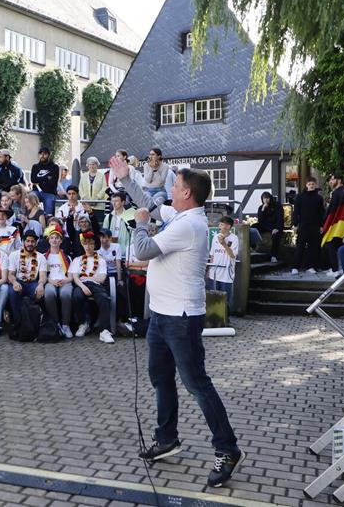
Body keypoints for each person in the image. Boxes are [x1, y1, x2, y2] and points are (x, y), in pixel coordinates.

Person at [110, 155, 244, 488]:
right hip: (162, 315)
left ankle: (227, 449)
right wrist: (127, 179)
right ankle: (167, 438)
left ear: (187, 194)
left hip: (181, 319)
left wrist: (140, 223)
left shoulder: (189, 225)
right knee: (161, 377)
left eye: (176, 185)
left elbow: (142, 250)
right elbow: (150, 204)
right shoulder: (183, 214)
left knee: (197, 384)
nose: (170, 188)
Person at [69, 231, 112, 342]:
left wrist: (89, 278)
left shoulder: (101, 260)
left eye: (91, 244)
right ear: (83, 245)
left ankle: (104, 330)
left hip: (96, 284)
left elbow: (102, 278)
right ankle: (83, 323)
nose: (88, 247)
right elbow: (75, 277)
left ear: (95, 245)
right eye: (85, 244)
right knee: (76, 296)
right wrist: (83, 286)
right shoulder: (77, 260)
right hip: (81, 284)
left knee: (103, 298)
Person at [6, 230, 47, 327]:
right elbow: (10, 274)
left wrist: (41, 285)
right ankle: (17, 322)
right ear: (24, 242)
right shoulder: (14, 255)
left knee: (40, 293)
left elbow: (43, 276)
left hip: (33, 283)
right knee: (12, 292)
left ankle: (38, 322)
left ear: (36, 243)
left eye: (32, 241)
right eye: (28, 241)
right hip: (19, 281)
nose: (30, 244)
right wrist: (15, 283)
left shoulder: (41, 257)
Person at [42, 225, 73, 338]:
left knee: (65, 294)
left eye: (57, 238)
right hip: (50, 281)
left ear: (60, 240)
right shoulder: (43, 257)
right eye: (52, 238)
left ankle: (65, 324)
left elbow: (71, 276)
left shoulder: (67, 257)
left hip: (64, 281)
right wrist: (51, 281)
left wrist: (64, 281)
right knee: (49, 294)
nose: (54, 240)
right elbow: (43, 275)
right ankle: (56, 324)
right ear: (48, 240)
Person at [321, 173, 344, 277]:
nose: (330, 182)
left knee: (331, 245)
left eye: (332, 179)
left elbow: (331, 210)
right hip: (342, 224)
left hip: (336, 224)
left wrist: (324, 222)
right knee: (337, 245)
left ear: (338, 180)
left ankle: (335, 270)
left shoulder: (337, 193)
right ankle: (338, 268)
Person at [291, 177, 325, 274]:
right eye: (309, 184)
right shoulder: (300, 197)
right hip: (303, 225)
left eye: (313, 184)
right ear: (306, 185)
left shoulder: (319, 198)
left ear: (315, 185)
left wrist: (322, 225)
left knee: (313, 248)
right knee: (300, 247)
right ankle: (295, 267)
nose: (311, 186)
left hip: (315, 226)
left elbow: (321, 213)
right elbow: (296, 211)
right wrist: (295, 224)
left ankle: (311, 267)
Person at [207, 217, 239, 312]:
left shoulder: (234, 238)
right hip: (214, 273)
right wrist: (209, 269)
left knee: (225, 299)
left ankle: (226, 319)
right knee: (213, 297)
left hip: (226, 274)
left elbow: (232, 255)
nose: (219, 226)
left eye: (222, 224)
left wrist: (224, 244)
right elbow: (212, 254)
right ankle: (213, 319)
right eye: (219, 224)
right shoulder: (215, 237)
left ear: (228, 226)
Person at [254, 192, 283, 263]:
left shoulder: (277, 205)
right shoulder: (261, 207)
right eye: (264, 198)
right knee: (253, 227)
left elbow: (280, 218)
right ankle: (252, 246)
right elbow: (261, 221)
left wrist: (277, 228)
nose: (266, 200)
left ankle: (274, 255)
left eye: (267, 198)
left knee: (276, 235)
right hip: (266, 226)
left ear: (270, 198)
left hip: (275, 225)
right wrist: (263, 210)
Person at [30, 146, 59, 216]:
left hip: (49, 193)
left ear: (49, 155)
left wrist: (39, 180)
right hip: (36, 192)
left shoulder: (54, 167)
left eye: (45, 154)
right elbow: (33, 180)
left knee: (49, 214)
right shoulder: (35, 166)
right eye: (41, 153)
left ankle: (48, 224)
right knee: (31, 197)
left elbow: (53, 182)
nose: (42, 155)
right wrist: (46, 177)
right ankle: (32, 218)